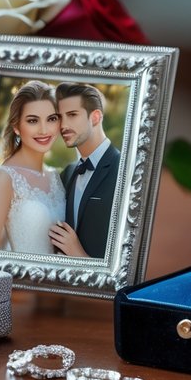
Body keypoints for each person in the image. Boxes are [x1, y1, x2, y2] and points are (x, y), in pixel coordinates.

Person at [0, 81, 65, 253]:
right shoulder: (3, 178)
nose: (44, 129)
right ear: (16, 126)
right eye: (33, 121)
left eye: (52, 119)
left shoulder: (54, 175)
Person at [49, 82, 120, 258]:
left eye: (72, 115)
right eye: (59, 117)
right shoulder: (68, 173)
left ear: (95, 117)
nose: (63, 125)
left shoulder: (123, 170)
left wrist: (77, 253)